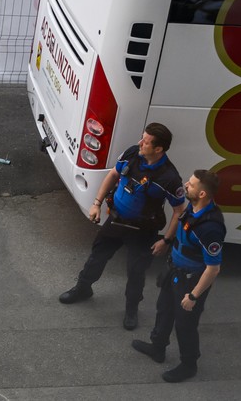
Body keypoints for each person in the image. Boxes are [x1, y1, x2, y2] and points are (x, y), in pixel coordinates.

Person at [59, 123, 186, 330]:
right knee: (96, 258)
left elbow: (180, 211)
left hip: (142, 232)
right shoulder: (132, 153)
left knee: (136, 273)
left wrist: (166, 240)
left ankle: (131, 310)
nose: (139, 143)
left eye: (145, 141)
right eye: (142, 137)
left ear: (158, 149)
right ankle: (83, 289)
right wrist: (96, 204)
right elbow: (113, 175)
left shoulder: (169, 178)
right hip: (116, 221)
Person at [132, 169, 225, 383]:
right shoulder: (192, 209)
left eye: (191, 184)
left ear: (202, 194)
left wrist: (193, 296)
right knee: (164, 310)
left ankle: (188, 365)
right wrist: (166, 242)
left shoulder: (210, 228)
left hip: (191, 281)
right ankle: (158, 348)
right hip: (174, 271)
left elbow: (213, 269)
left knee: (185, 325)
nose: (186, 185)